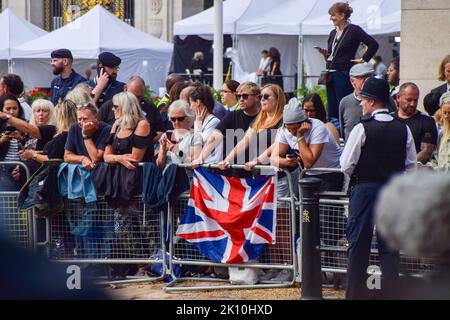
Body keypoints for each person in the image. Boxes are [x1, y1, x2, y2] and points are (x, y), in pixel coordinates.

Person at [340, 77, 417, 299]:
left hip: (365, 190)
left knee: (358, 247)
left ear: (372, 101)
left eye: (363, 100)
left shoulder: (362, 128)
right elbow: (411, 166)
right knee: (390, 250)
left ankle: (355, 295)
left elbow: (346, 164)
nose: (362, 104)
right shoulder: (403, 129)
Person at [315, 2, 379, 128]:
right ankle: (336, 132)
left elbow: (373, 44)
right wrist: (325, 55)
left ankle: (348, 130)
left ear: (342, 15)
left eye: (333, 15)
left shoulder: (354, 30)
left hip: (344, 73)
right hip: (331, 74)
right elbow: (332, 55)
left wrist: (363, 60)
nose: (331, 18)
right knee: (332, 107)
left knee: (343, 104)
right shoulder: (333, 33)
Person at [192, 82, 261, 173]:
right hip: (235, 173)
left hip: (261, 174)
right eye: (238, 96)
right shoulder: (232, 116)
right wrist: (200, 158)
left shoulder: (265, 117)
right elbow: (214, 137)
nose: (241, 99)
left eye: (245, 96)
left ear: (257, 98)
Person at [218, 84, 285, 173]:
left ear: (278, 99)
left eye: (266, 96)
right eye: (261, 96)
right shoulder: (259, 119)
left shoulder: (283, 120)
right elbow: (244, 141)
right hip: (261, 177)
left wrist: (256, 161)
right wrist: (227, 160)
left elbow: (276, 146)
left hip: (279, 176)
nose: (262, 99)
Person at [98, 76, 164, 152]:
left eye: (139, 97)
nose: (135, 100)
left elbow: (161, 132)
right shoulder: (110, 106)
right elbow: (99, 128)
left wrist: (143, 139)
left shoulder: (150, 108)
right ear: (125, 88)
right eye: (132, 96)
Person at [103, 92, 153, 167]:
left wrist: (113, 158)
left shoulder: (142, 125)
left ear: (125, 107)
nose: (113, 109)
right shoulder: (116, 125)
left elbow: (135, 158)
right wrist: (119, 158)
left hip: (137, 174)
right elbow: (106, 157)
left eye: (115, 106)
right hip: (117, 174)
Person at [393, 82, 438, 164]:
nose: (412, 104)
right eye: (409, 100)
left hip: (414, 171)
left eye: (415, 100)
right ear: (398, 97)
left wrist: (406, 166)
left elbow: (426, 151)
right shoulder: (390, 119)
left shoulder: (426, 121)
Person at [156, 100, 202, 172]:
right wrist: (163, 152)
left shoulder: (195, 136)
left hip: (185, 179)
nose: (176, 122)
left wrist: (177, 151)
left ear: (188, 118)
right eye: (173, 119)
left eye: (180, 119)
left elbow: (194, 164)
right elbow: (159, 166)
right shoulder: (168, 135)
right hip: (167, 179)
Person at [64, 103, 111, 170]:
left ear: (96, 118)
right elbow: (66, 156)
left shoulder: (107, 129)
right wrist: (82, 158)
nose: (82, 122)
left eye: (85, 119)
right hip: (81, 171)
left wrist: (86, 136)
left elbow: (96, 159)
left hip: (99, 171)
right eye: (79, 119)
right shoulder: (74, 127)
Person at [188, 85, 221, 164]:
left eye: (191, 103)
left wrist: (198, 125)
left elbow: (198, 146)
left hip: (209, 168)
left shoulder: (214, 122)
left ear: (198, 102)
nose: (190, 107)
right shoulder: (197, 121)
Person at [0, 95, 27, 191]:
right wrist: (2, 140)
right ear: (2, 110)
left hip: (21, 168)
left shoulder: (26, 125)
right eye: (8, 108)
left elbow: (32, 147)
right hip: (3, 170)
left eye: (15, 108)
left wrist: (21, 138)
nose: (11, 112)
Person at [433, 92, 450, 170]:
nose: (446, 116)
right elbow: (436, 158)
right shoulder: (442, 134)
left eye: (449, 113)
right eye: (444, 113)